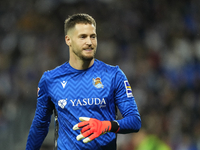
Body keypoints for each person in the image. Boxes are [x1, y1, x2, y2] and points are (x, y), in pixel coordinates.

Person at [26, 13, 141, 150]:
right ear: (68, 40)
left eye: (93, 36)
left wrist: (106, 126)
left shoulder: (113, 75)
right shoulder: (50, 79)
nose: (89, 42)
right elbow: (40, 125)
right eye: (83, 37)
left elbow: (134, 121)